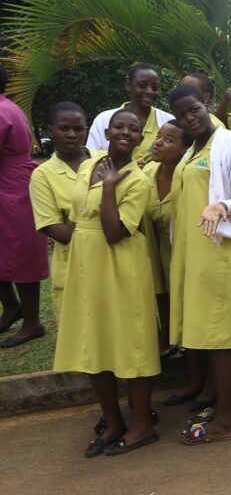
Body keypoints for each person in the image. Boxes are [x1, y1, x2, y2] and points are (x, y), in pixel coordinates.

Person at [52, 109, 159, 457]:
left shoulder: (138, 180)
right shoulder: (88, 164)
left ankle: (141, 424)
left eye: (134, 129)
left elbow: (114, 232)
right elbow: (76, 215)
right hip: (86, 264)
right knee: (93, 343)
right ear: (107, 132)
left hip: (122, 264)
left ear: (140, 138)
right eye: (119, 127)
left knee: (132, 343)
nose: (126, 132)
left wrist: (110, 187)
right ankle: (112, 422)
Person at [168, 84, 231, 445]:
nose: (190, 118)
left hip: (222, 252)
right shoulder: (192, 149)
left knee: (221, 336)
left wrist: (222, 206)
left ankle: (225, 420)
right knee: (208, 332)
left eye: (194, 109)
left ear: (206, 103)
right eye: (182, 115)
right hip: (195, 253)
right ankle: (225, 407)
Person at [29, 103, 97, 320]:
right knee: (79, 330)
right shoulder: (43, 175)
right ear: (51, 131)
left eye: (78, 128)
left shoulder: (104, 159)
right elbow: (51, 226)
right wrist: (100, 236)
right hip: (72, 264)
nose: (72, 135)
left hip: (113, 263)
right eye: (64, 128)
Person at [1, 66, 50, 348]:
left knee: (21, 252)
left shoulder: (1, 111)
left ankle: (32, 322)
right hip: (8, 182)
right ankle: (11, 307)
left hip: (12, 187)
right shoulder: (7, 106)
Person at [142, 121, 192, 363]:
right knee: (159, 288)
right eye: (158, 136)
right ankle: (167, 340)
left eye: (168, 140)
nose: (158, 143)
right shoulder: (146, 173)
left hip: (183, 250)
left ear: (185, 149)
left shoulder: (190, 179)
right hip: (155, 247)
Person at [85, 63, 175, 161]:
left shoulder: (168, 121)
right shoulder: (104, 119)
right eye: (142, 85)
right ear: (128, 85)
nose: (149, 91)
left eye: (155, 87)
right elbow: (91, 158)